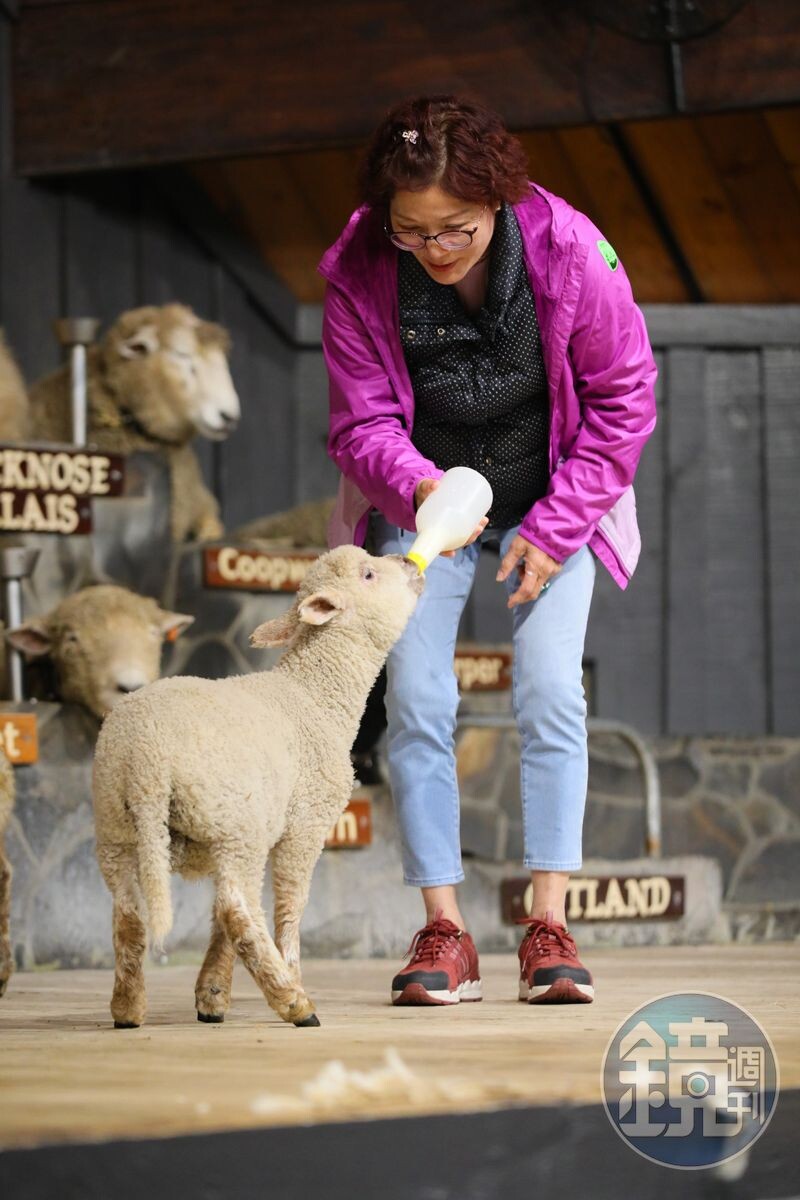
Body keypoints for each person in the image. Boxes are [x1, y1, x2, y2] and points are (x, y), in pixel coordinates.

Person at [320, 95, 656, 1007]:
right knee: (418, 694)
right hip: (426, 499)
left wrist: (554, 531)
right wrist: (424, 493)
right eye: (412, 231)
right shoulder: (358, 269)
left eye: (455, 229)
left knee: (550, 687)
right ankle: (445, 932)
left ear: (500, 201)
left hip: (558, 495)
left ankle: (549, 926)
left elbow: (625, 400)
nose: (434, 248)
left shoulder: (572, 252)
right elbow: (361, 422)